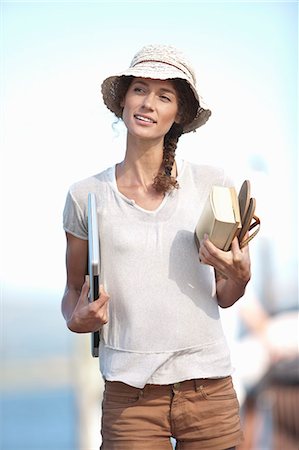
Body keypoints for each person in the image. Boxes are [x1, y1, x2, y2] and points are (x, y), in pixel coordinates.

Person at [61, 44, 251, 450]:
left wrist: (240, 276)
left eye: (163, 96)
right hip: (129, 398)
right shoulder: (85, 196)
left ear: (178, 114)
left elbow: (226, 294)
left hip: (209, 390)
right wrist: (77, 320)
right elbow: (72, 290)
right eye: (140, 90)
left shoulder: (213, 183)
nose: (147, 104)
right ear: (125, 100)